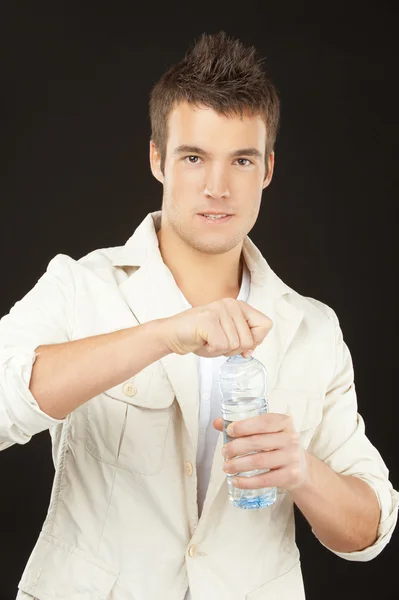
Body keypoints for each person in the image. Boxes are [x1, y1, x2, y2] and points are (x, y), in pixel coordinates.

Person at [0, 31, 397, 600]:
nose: (217, 187)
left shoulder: (313, 330)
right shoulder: (80, 288)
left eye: (241, 160)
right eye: (194, 157)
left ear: (267, 169)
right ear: (157, 158)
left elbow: (369, 530)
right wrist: (165, 334)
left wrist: (303, 472)